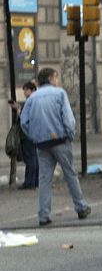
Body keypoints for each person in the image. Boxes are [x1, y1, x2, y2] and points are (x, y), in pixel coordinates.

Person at [20, 68, 91, 226]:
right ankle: (81, 207)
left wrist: (34, 136)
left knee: (44, 179)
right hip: (60, 140)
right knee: (70, 174)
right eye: (56, 78)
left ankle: (44, 215)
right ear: (52, 78)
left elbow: (24, 122)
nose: (57, 81)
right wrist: (70, 134)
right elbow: (68, 119)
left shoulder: (32, 98)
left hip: (41, 143)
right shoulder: (59, 94)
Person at [10, 80, 38, 189]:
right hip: (33, 133)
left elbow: (24, 119)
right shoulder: (35, 100)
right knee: (34, 158)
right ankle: (34, 181)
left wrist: (18, 111)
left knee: (30, 158)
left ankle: (30, 182)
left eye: (26, 90)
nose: (24, 92)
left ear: (32, 90)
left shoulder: (30, 101)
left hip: (27, 134)